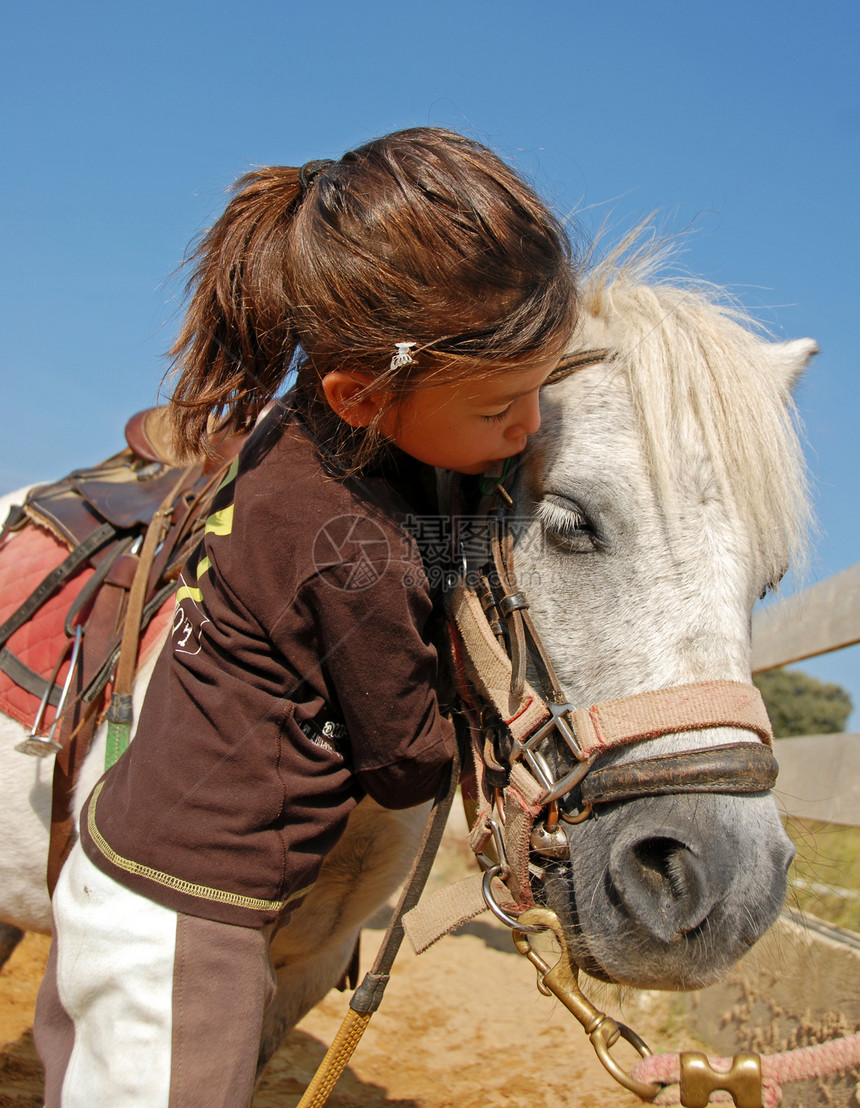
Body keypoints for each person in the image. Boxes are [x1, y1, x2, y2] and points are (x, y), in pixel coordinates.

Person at [34, 126, 578, 1106]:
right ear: (359, 395)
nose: (527, 428)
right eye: (499, 404)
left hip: (125, 873)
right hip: (191, 917)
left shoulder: (294, 432)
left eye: (538, 391)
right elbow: (406, 761)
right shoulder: (357, 550)